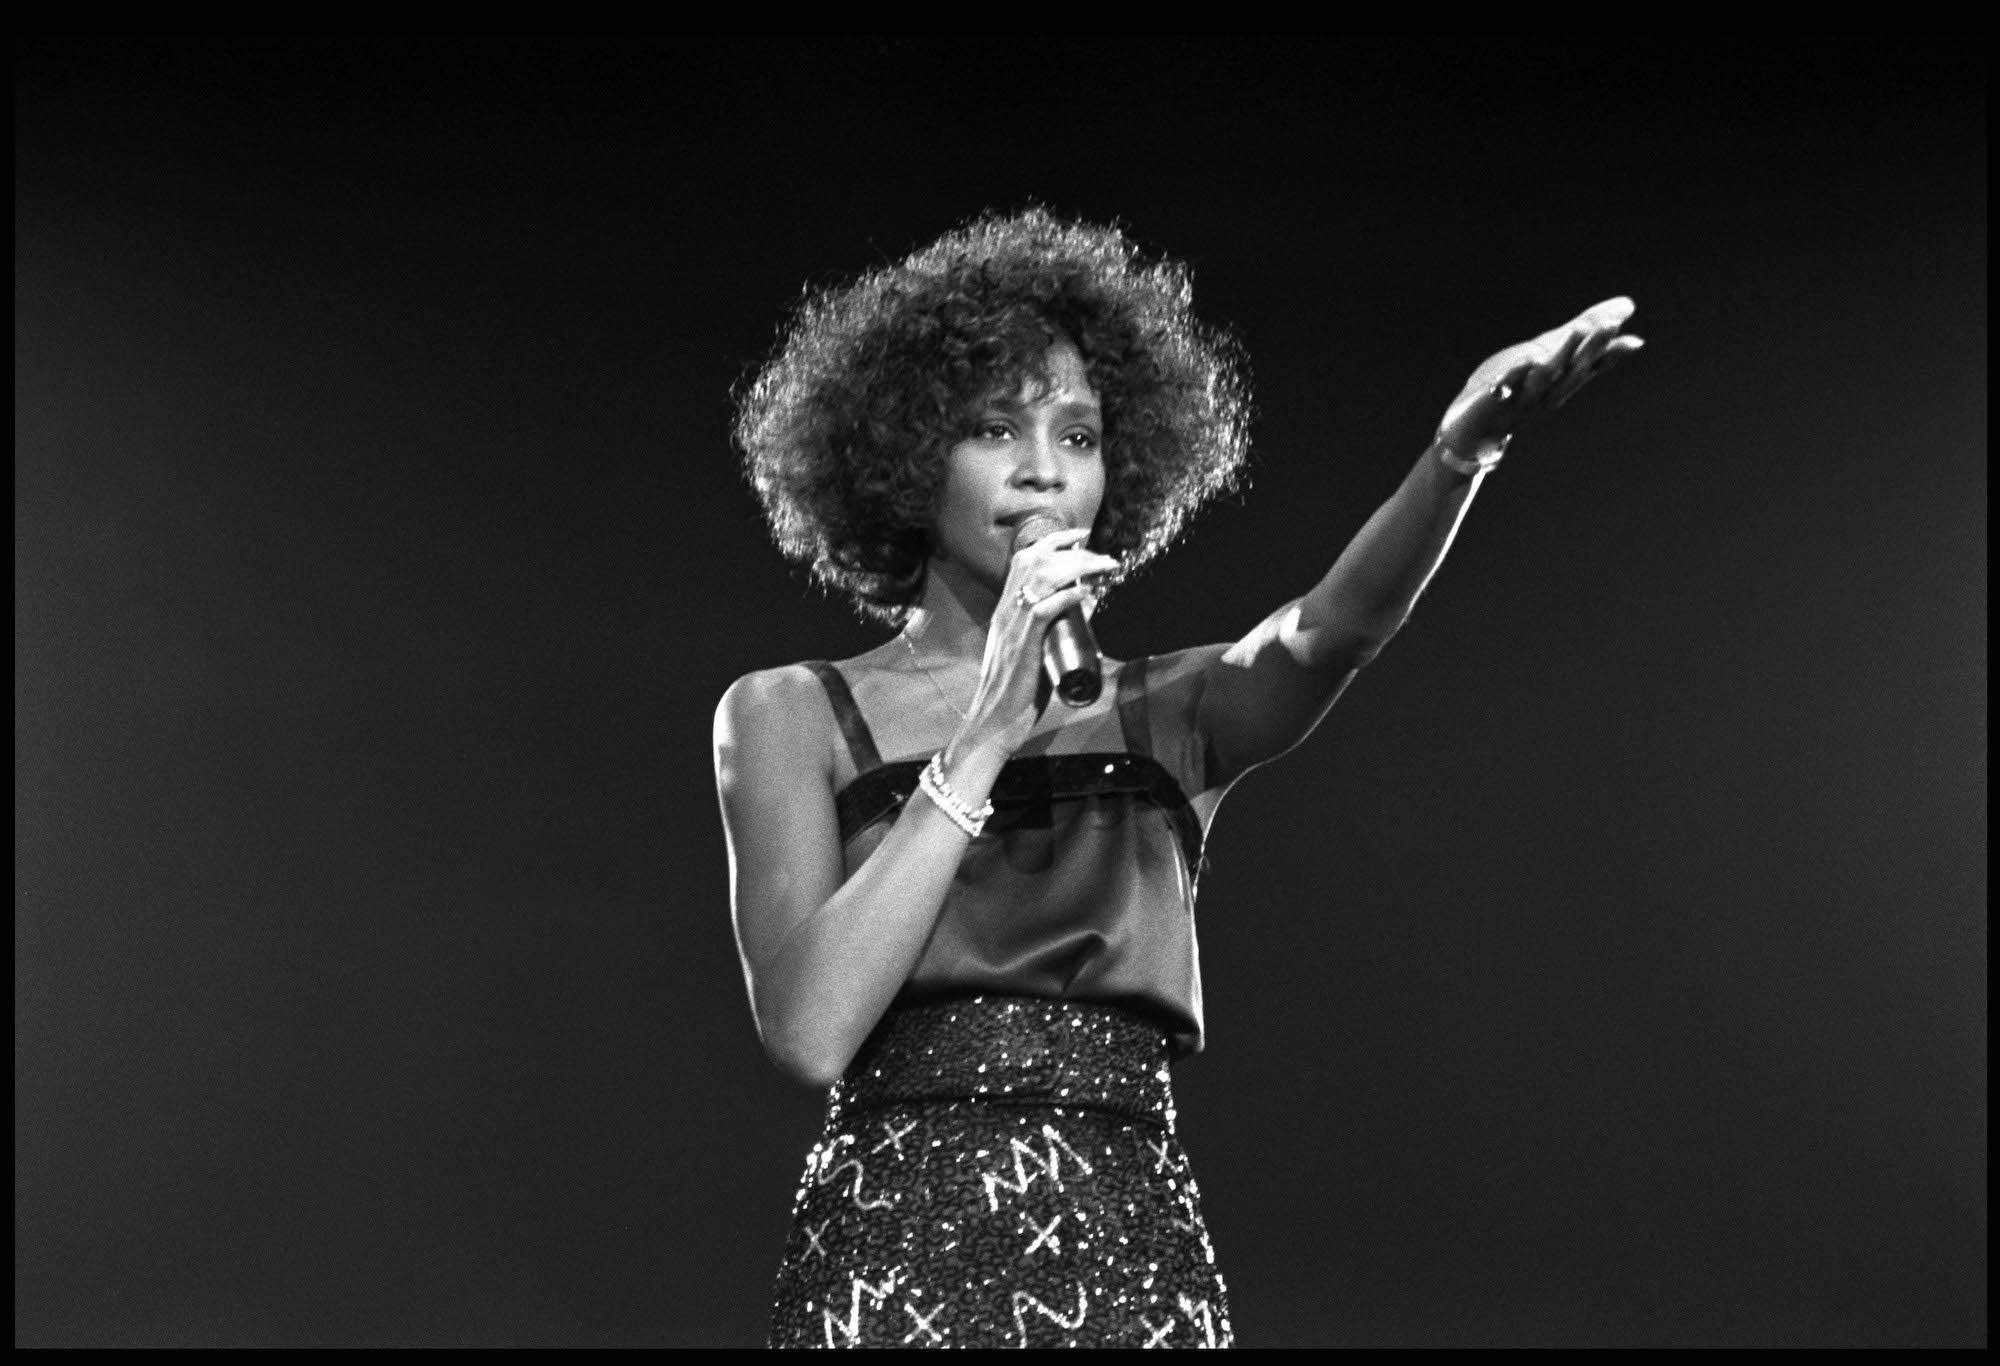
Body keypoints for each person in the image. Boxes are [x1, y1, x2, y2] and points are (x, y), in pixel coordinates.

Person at [714, 208, 1641, 1348]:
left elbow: (1326, 634)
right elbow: (807, 1032)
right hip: (894, 1237)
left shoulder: (1170, 711)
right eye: (994, 430)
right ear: (907, 456)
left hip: (1122, 1230)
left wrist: (1459, 455)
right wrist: (984, 737)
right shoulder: (787, 712)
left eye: (1080, 435)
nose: (1042, 473)